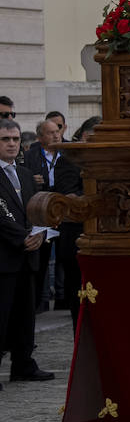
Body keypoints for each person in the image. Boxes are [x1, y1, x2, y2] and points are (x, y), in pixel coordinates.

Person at [0, 118, 52, 387]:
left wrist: (40, 232)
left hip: (28, 257)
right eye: (5, 139)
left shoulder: (23, 173)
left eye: (15, 139)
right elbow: (1, 217)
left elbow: (34, 209)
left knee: (25, 315)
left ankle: (23, 364)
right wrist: (22, 238)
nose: (11, 144)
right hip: (5, 257)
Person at [28, 118, 82, 324]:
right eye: (50, 132)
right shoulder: (34, 155)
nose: (55, 135)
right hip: (44, 208)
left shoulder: (68, 152)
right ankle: (40, 302)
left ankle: (61, 299)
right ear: (40, 136)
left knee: (64, 265)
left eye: (57, 130)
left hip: (66, 216)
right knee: (43, 261)